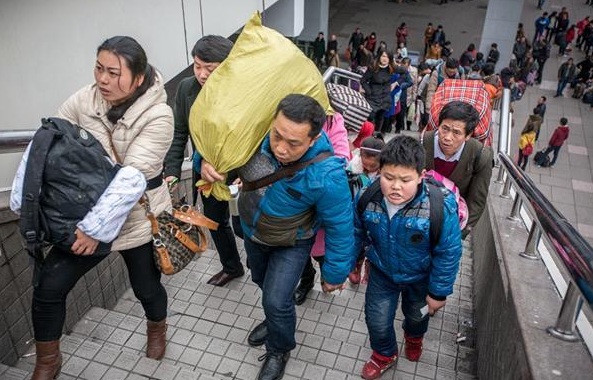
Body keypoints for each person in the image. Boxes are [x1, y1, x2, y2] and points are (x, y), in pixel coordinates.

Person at [16, 36, 174, 379]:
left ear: (139, 78)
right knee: (49, 288)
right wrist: (24, 197)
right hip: (82, 214)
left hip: (135, 220)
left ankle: (156, 329)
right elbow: (48, 139)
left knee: (146, 287)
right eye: (99, 68)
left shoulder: (159, 116)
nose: (103, 79)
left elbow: (132, 178)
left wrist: (92, 231)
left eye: (114, 73)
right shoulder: (84, 99)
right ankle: (47, 361)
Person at [239, 94, 354, 380]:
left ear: (314, 140)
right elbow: (220, 144)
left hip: (291, 241)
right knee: (262, 283)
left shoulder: (328, 174)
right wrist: (205, 163)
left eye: (293, 144)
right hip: (254, 232)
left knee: (277, 299)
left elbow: (340, 225)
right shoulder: (253, 134)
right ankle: (275, 318)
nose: (281, 148)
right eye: (277, 135)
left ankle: (279, 348)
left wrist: (335, 272)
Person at [355, 135, 462, 380]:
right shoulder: (366, 197)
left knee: (417, 317)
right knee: (377, 320)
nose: (395, 186)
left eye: (405, 180)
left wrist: (438, 293)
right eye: (389, 177)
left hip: (421, 277)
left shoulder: (439, 206)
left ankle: (414, 338)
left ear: (421, 176)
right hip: (382, 273)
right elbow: (356, 233)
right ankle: (384, 354)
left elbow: (449, 252)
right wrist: (353, 263)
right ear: (379, 171)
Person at [164, 36, 244, 287]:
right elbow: (179, 132)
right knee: (216, 222)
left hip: (240, 175)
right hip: (204, 173)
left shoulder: (242, 92)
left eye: (210, 68)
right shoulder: (187, 89)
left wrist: (243, 173)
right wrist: (172, 170)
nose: (202, 74)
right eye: (197, 66)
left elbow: (249, 137)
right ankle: (232, 266)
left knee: (243, 226)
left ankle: (265, 267)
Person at [422, 101, 493, 237]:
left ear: (468, 135)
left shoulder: (481, 155)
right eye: (445, 128)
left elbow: (476, 202)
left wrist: (458, 234)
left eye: (456, 133)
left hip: (452, 225)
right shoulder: (422, 143)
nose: (447, 138)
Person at [346, 133, 385, 284]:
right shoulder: (351, 169)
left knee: (372, 244)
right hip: (355, 214)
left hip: (375, 216)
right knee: (357, 243)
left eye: (372, 166)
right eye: (365, 163)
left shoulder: (387, 175)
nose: (368, 167)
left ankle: (369, 266)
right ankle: (357, 265)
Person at [361, 50, 396, 133]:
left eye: (387, 57)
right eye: (383, 56)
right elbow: (363, 80)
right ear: (379, 57)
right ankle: (367, 135)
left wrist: (396, 83)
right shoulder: (373, 67)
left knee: (380, 118)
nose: (385, 58)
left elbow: (405, 75)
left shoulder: (392, 68)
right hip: (373, 97)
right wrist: (369, 91)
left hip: (384, 98)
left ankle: (376, 137)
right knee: (370, 117)